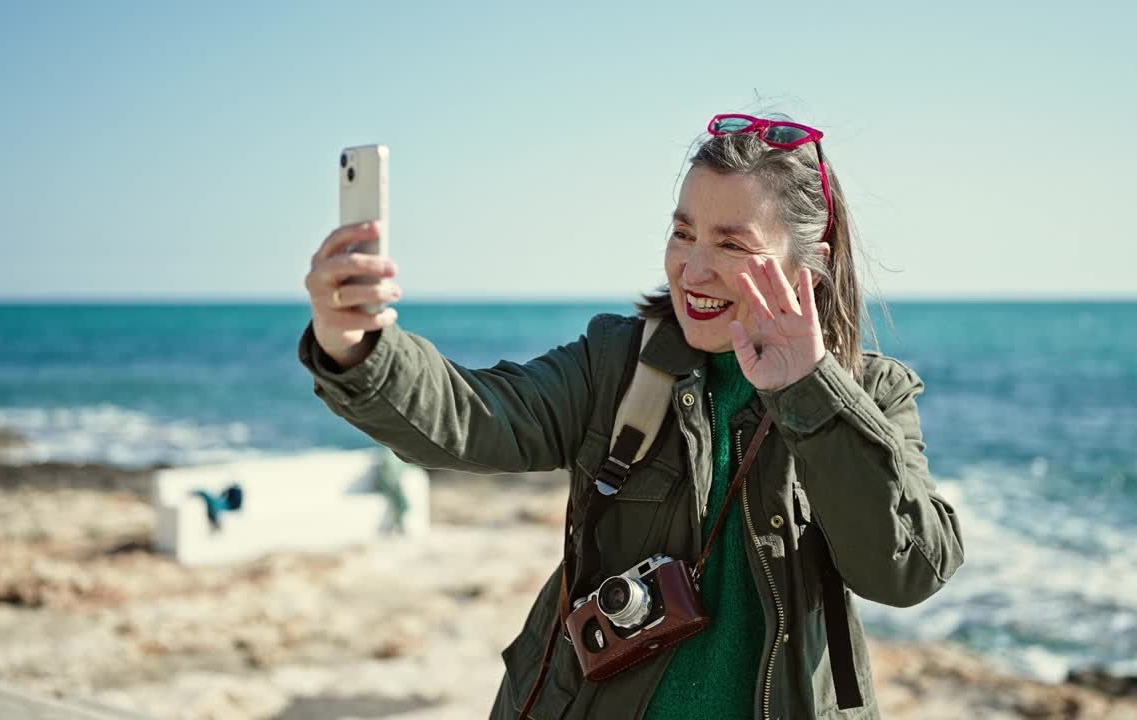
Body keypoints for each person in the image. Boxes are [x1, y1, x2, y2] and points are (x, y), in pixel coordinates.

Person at [298, 112, 966, 720]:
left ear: (808, 265)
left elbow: (904, 572)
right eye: (682, 233)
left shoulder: (869, 396)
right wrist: (355, 346)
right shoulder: (617, 363)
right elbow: (475, 416)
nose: (693, 269)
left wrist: (811, 392)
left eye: (731, 245)